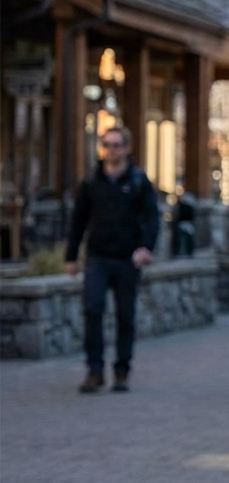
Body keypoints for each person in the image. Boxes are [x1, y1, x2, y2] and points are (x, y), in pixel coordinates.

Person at [64, 126, 158, 394]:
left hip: (128, 259)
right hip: (97, 257)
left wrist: (145, 248)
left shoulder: (138, 181)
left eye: (116, 145)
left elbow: (152, 218)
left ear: (126, 148)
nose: (111, 150)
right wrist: (71, 256)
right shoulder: (92, 180)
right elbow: (79, 220)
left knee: (125, 316)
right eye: (106, 145)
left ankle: (121, 371)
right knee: (93, 310)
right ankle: (94, 370)